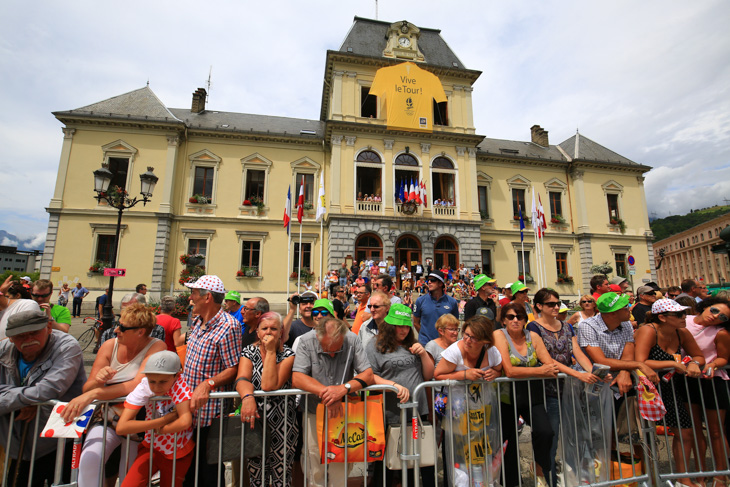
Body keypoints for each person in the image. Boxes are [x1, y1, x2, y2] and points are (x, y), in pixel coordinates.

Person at [66, 303, 166, 487]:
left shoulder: (157, 346)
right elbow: (87, 389)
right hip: (107, 418)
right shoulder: (109, 345)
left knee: (129, 474)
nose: (116, 330)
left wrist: (96, 392)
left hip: (138, 421)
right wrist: (97, 381)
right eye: (117, 324)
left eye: (123, 327)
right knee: (89, 459)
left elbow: (138, 384)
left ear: (140, 332)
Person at [0, 310, 86, 487]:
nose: (28, 339)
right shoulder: (3, 350)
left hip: (61, 438)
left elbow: (50, 389)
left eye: (34, 332)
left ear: (48, 327)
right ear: (10, 338)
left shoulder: (66, 346)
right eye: (21, 336)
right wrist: (27, 400)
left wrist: (20, 399)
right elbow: (38, 393)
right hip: (18, 442)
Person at [526, 288, 601, 486]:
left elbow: (577, 351)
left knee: (575, 435)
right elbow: (546, 359)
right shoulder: (533, 327)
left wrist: (593, 372)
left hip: (569, 388)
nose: (556, 307)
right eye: (551, 304)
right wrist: (577, 374)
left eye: (557, 303)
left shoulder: (567, 327)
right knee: (552, 437)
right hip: (547, 389)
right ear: (539, 306)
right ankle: (547, 479)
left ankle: (572, 478)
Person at [292, 318, 374, 487]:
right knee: (313, 455)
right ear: (318, 336)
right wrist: (329, 395)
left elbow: (367, 374)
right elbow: (298, 377)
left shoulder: (352, 339)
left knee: (342, 458)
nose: (331, 354)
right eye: (327, 349)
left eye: (336, 350)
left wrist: (343, 389)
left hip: (343, 412)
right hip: (314, 409)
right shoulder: (306, 341)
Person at [634, 299, 705, 487]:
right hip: (648, 389)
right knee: (645, 436)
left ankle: (683, 478)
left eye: (684, 313)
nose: (684, 317)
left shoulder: (681, 332)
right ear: (663, 317)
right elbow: (640, 361)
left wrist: (693, 363)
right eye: (679, 314)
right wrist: (673, 363)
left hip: (674, 388)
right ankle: (649, 479)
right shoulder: (648, 330)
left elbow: (699, 356)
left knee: (685, 432)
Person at [365, 304, 435, 487]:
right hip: (388, 412)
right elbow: (369, 375)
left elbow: (428, 375)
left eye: (406, 326)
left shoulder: (412, 343)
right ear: (390, 325)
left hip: (416, 410)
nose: (403, 330)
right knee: (387, 462)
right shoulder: (375, 345)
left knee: (413, 460)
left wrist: (424, 355)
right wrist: (393, 386)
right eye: (399, 326)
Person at [181, 275, 241, 487]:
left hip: (209, 413)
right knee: (189, 469)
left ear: (207, 298)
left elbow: (233, 368)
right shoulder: (197, 321)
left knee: (208, 471)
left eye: (194, 293)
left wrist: (208, 384)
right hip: (188, 409)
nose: (191, 298)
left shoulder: (228, 326)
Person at [494, 302, 558, 487]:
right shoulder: (499, 335)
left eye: (519, 317)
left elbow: (549, 365)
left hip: (532, 394)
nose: (515, 320)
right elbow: (510, 370)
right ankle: (511, 482)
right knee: (509, 441)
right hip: (507, 395)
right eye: (510, 317)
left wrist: (542, 370)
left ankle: (538, 468)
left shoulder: (533, 336)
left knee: (545, 432)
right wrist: (539, 371)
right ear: (503, 320)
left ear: (525, 319)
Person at [236, 312, 297, 487]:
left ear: (281, 332)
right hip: (255, 421)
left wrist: (270, 351)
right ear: (257, 331)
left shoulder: (288, 355)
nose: (268, 333)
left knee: (281, 475)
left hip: (283, 423)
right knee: (257, 474)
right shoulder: (249, 351)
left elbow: (269, 385)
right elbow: (242, 379)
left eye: (273, 328)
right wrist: (248, 397)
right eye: (264, 329)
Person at [116, 351, 194, 487]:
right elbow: (122, 427)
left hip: (178, 452)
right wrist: (162, 423)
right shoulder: (144, 385)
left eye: (163, 382)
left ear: (176, 375)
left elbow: (185, 421)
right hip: (152, 447)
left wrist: (162, 429)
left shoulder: (180, 385)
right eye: (152, 381)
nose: (157, 387)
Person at [684, 296, 730, 483]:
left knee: (716, 430)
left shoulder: (721, 332)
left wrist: (713, 365)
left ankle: (721, 476)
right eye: (714, 310)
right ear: (706, 307)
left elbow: (724, 358)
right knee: (694, 430)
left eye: (723, 317)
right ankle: (701, 475)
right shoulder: (683, 320)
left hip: (712, 382)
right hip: (686, 380)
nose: (716, 316)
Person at [413, 270, 459, 345]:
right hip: (426, 345)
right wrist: (425, 336)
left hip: (445, 346)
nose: (429, 282)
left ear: (441, 283)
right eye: (428, 280)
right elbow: (415, 323)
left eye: (432, 280)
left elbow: (455, 324)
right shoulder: (420, 301)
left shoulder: (452, 302)